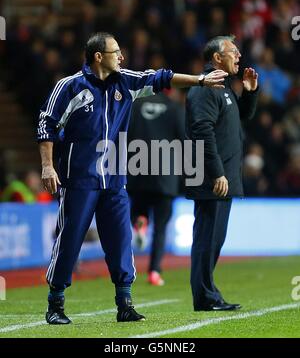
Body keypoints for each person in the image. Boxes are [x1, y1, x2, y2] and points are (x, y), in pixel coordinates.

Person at [37, 32, 227, 324]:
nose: (122, 57)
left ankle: (124, 304)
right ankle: (55, 304)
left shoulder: (125, 81)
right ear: (99, 56)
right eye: (116, 52)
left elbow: (163, 78)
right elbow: (47, 125)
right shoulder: (69, 87)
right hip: (79, 180)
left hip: (115, 180)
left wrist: (200, 81)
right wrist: (48, 167)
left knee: (121, 241)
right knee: (70, 239)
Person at [185, 35, 258, 311]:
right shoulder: (205, 88)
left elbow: (241, 118)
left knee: (214, 239)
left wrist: (249, 92)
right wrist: (217, 173)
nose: (239, 56)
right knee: (207, 238)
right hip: (211, 178)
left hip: (220, 177)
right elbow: (202, 131)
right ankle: (205, 297)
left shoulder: (223, 87)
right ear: (217, 58)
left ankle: (208, 293)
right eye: (233, 52)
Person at [127, 91, 185, 286]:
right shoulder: (175, 107)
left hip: (137, 168)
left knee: (138, 207)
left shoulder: (136, 105)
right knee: (160, 228)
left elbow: (125, 133)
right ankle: (154, 272)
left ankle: (139, 221)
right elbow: (184, 138)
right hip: (165, 175)